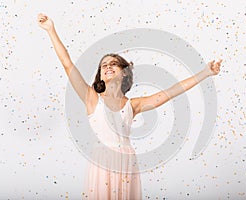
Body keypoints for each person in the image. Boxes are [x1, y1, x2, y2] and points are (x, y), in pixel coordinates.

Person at [37, 13, 222, 200]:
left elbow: (170, 92)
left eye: (114, 64)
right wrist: (51, 30)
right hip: (102, 163)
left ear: (124, 73)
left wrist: (204, 73)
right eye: (104, 65)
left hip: (126, 163)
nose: (108, 66)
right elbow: (67, 64)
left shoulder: (133, 105)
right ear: (100, 75)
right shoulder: (92, 98)